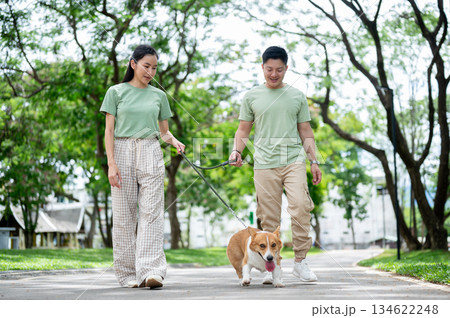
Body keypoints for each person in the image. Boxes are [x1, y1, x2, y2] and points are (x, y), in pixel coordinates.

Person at [229, 46, 322, 283]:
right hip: (264, 163)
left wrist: (314, 160)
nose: (273, 74)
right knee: (268, 219)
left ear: (286, 69)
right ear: (262, 68)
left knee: (301, 207)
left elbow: (305, 130)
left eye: (279, 70)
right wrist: (236, 151)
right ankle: (273, 266)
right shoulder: (251, 96)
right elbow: (243, 129)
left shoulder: (297, 96)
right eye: (269, 69)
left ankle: (300, 262)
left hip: (293, 161)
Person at [100, 44, 185, 289]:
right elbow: (109, 131)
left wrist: (174, 140)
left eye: (155, 67)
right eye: (146, 66)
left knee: (151, 212)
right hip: (122, 148)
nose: (150, 71)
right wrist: (112, 164)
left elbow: (164, 132)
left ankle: (151, 271)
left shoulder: (158, 95)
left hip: (150, 149)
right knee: (124, 215)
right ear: (133, 64)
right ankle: (127, 274)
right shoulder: (115, 92)